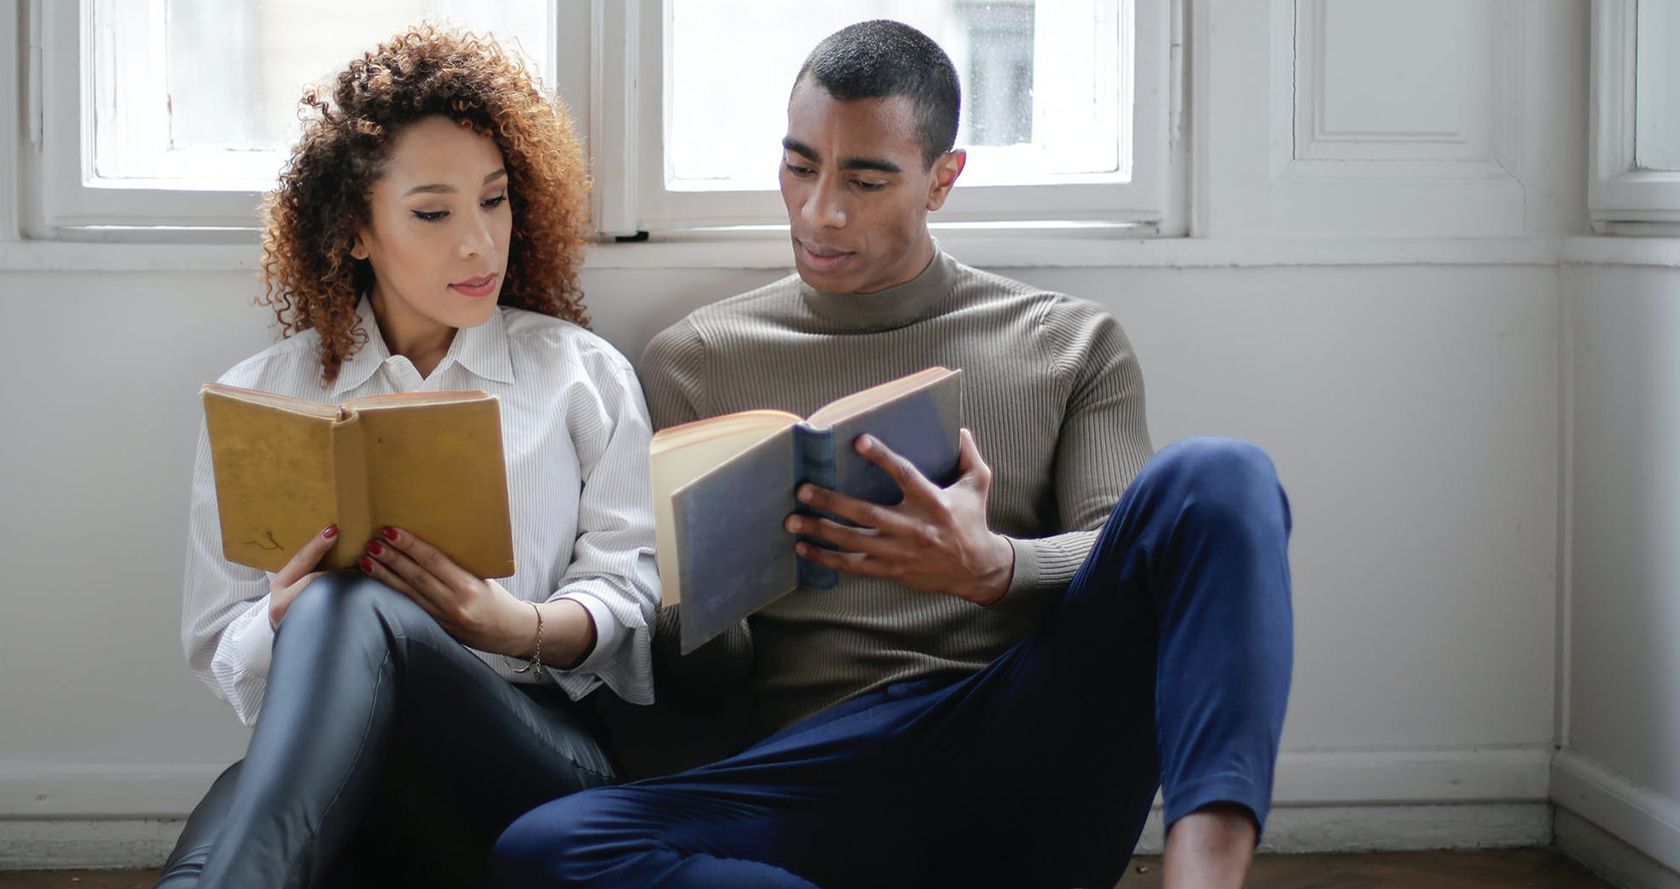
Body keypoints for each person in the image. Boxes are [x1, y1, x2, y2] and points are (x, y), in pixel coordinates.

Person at [489, 20, 1293, 889]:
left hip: (1022, 734)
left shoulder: (1068, 343)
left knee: (1222, 474)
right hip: (817, 773)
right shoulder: (695, 361)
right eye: (800, 166)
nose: (820, 211)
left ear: (943, 180)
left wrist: (993, 567)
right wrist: (715, 590)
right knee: (547, 850)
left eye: (866, 179)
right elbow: (698, 688)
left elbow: (1135, 551)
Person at [159, 26, 659, 887]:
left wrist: (515, 626)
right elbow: (219, 643)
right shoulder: (264, 396)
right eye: (434, 212)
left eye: (494, 201)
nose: (478, 243)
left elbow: (635, 598)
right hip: (346, 763)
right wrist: (282, 613)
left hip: (535, 764)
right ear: (357, 231)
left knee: (348, 613)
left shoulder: (583, 375)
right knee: (229, 829)